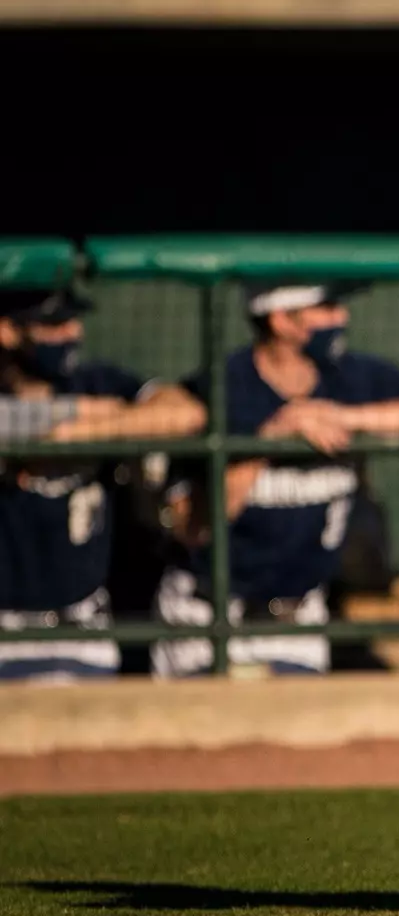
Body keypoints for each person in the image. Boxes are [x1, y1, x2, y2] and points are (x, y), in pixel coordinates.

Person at [151, 284, 399, 678]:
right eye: (326, 308)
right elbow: (193, 525)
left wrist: (343, 418)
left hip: (298, 617)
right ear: (281, 319)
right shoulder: (223, 386)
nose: (341, 319)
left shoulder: (350, 378)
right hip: (209, 612)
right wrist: (267, 443)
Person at [0, 289, 205, 680]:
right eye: (54, 325)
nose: (72, 333)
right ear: (8, 331)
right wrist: (55, 427)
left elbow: (186, 413)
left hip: (82, 627)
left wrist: (85, 433)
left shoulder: (95, 381)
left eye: (74, 321)